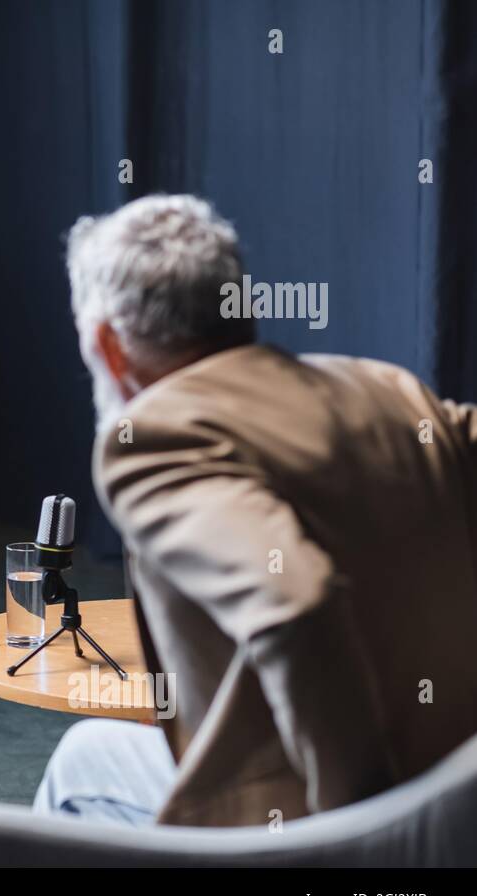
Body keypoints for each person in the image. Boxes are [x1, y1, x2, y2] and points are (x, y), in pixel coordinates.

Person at [35, 193, 477, 828]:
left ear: (109, 345)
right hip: (457, 789)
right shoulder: (392, 391)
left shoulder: (154, 438)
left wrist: (351, 830)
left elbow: (297, 604)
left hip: (337, 834)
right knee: (89, 753)